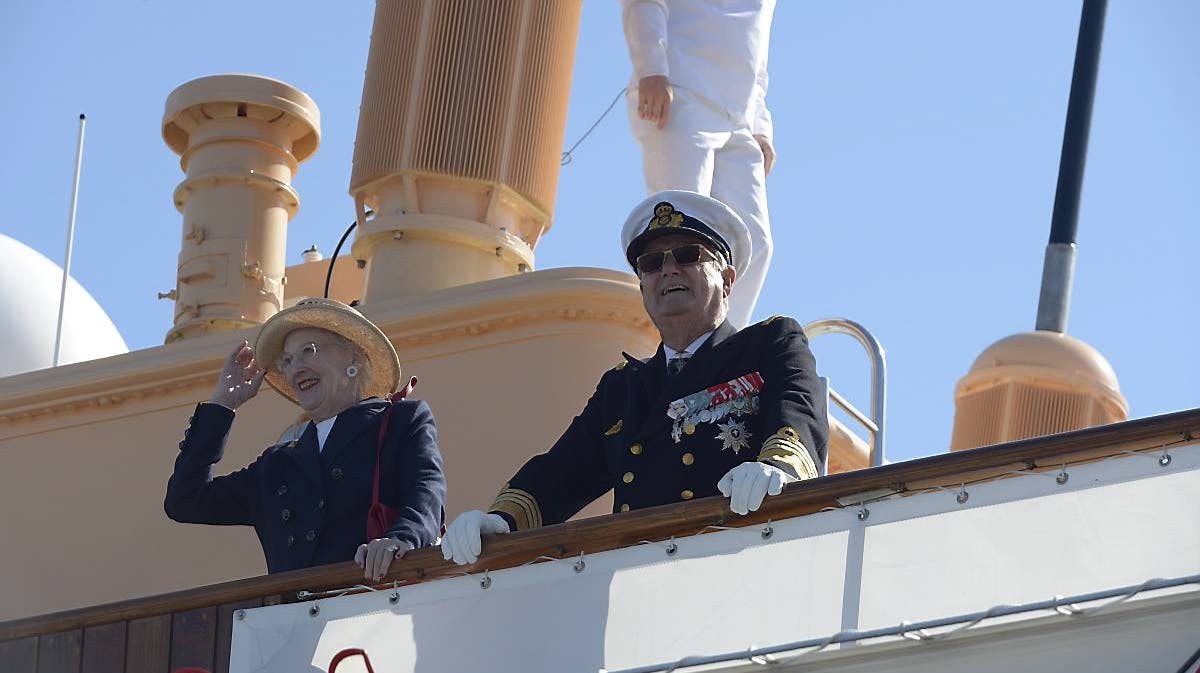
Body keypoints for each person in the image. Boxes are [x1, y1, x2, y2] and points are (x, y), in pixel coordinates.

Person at [442, 191, 827, 565]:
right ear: (643, 286)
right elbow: (561, 472)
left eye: (687, 255)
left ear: (726, 281)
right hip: (638, 580)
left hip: (736, 564)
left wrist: (778, 470)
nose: (669, 269)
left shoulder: (767, 345)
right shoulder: (623, 388)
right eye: (651, 263)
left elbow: (797, 415)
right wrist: (500, 519)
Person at [165, 298, 446, 581]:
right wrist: (222, 405)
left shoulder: (401, 420)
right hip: (291, 619)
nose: (295, 368)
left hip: (372, 606)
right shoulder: (277, 464)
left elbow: (426, 494)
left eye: (308, 351)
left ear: (354, 357)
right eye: (286, 361)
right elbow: (185, 500)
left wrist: (400, 540)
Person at [622, 0, 777, 329]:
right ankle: (674, 341)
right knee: (678, 231)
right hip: (682, 97)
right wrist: (651, 69)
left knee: (755, 242)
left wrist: (761, 127)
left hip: (738, 118)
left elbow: (757, 51)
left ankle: (720, 345)